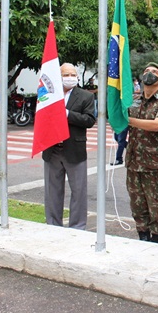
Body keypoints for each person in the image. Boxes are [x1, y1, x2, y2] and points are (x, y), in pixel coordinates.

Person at [42, 63, 96, 230]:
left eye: (73, 75)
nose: (70, 78)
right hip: (53, 149)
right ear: (59, 77)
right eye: (66, 74)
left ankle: (77, 227)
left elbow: (89, 120)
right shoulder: (49, 94)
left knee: (78, 192)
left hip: (74, 150)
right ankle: (53, 225)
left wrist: (66, 114)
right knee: (52, 192)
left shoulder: (85, 96)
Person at [126, 62, 158, 244]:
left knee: (156, 207)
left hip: (154, 165)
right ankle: (142, 238)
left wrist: (128, 120)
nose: (149, 74)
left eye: (154, 72)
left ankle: (156, 243)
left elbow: (156, 125)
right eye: (146, 71)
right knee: (137, 206)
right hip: (134, 163)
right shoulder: (133, 101)